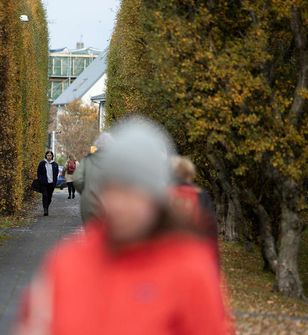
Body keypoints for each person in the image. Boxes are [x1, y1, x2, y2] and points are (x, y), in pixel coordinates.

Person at [16, 117, 232, 335]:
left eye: (131, 191)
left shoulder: (190, 271)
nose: (118, 203)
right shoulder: (66, 263)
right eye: (110, 188)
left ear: (158, 197)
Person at [169, 156, 219, 261]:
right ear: (189, 175)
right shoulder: (201, 195)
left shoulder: (162, 195)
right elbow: (210, 230)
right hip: (194, 252)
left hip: (168, 254)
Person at [73, 132, 113, 223]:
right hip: (110, 203)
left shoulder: (87, 160)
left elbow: (77, 179)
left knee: (91, 233)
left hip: (89, 202)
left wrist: (85, 190)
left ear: (97, 145)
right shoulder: (117, 161)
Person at [37, 151, 59, 216]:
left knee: (49, 197)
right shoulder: (42, 163)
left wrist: (54, 182)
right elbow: (38, 173)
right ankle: (45, 209)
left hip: (51, 183)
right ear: (46, 156)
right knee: (45, 195)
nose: (49, 157)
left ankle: (46, 206)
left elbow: (56, 174)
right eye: (48, 155)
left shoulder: (55, 164)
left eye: (50, 155)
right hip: (44, 183)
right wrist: (41, 180)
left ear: (52, 156)